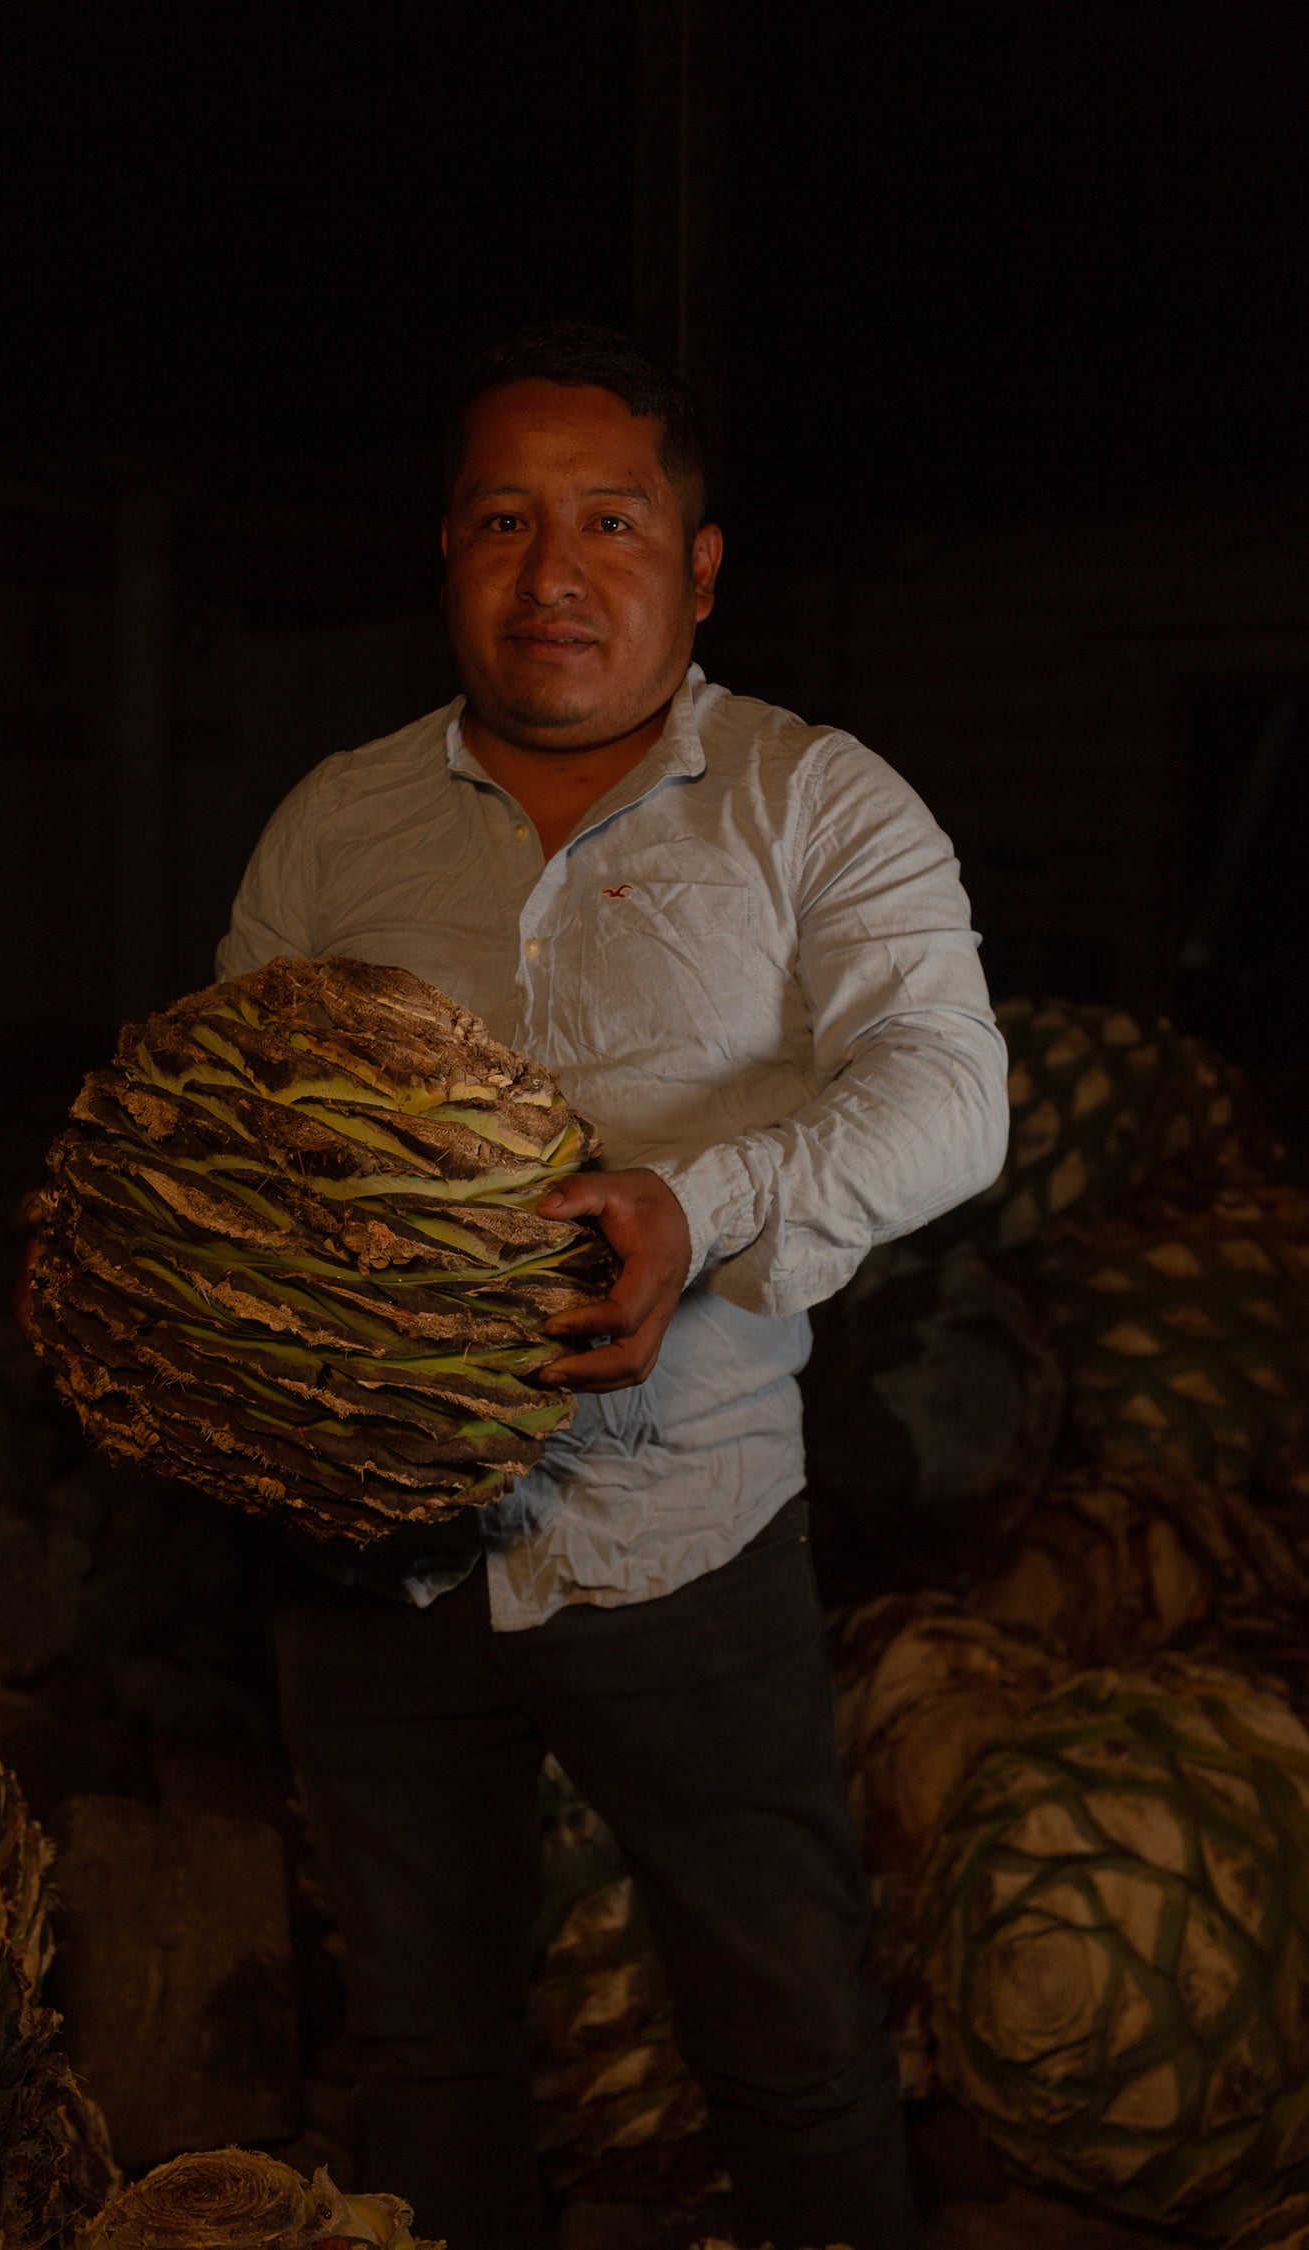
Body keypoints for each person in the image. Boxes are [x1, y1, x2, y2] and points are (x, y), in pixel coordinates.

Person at [217, 321, 1008, 2250]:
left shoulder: (812, 802)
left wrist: (700, 1200)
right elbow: (228, 1123)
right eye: (502, 519)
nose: (551, 570)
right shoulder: (340, 819)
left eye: (608, 519)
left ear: (699, 563)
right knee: (428, 2050)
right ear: (446, 552)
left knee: (794, 2033)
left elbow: (950, 1091)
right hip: (372, 1556)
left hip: (685, 1539)